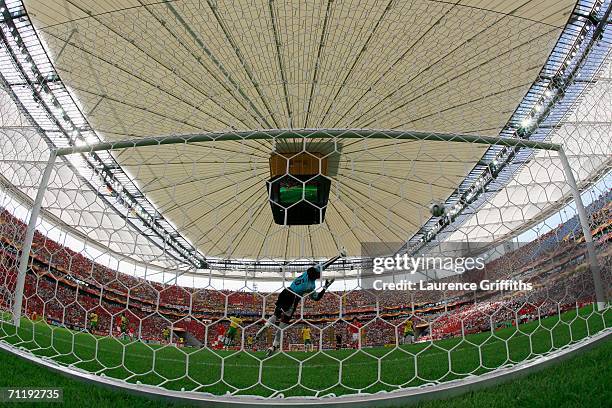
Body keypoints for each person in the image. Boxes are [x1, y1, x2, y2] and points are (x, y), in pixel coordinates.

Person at [255, 248, 347, 357]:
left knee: (276, 314)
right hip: (293, 298)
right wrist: (325, 287)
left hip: (286, 291)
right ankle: (274, 345)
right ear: (317, 276)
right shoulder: (311, 286)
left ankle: (266, 325)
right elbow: (317, 298)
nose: (320, 273)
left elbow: (324, 265)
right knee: (282, 324)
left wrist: (337, 256)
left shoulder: (306, 273)